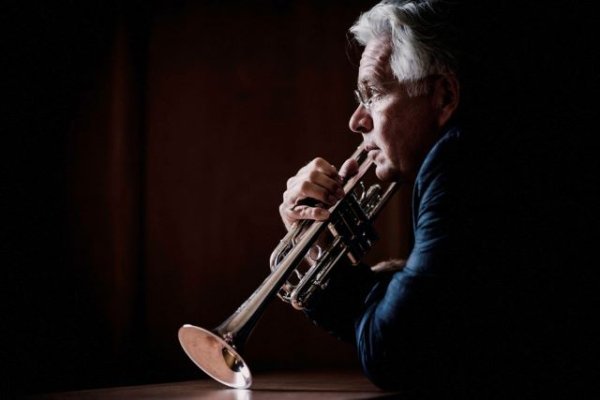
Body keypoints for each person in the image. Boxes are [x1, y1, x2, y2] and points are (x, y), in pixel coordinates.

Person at [278, 0, 575, 398]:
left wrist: (328, 273)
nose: (357, 120)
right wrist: (372, 280)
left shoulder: (457, 160)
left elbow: (396, 352)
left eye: (373, 94)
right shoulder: (492, 153)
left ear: (444, 96)